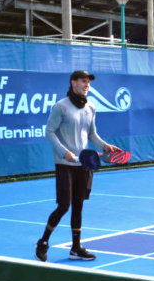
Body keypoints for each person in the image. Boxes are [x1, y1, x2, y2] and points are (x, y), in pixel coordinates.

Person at [35, 70, 119, 262]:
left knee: (78, 206)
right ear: (73, 83)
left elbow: (92, 134)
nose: (87, 84)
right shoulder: (60, 107)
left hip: (83, 163)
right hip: (65, 163)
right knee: (64, 205)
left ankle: (75, 248)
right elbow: (50, 132)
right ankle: (43, 242)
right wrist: (64, 151)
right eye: (83, 81)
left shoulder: (91, 106)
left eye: (88, 82)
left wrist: (104, 145)